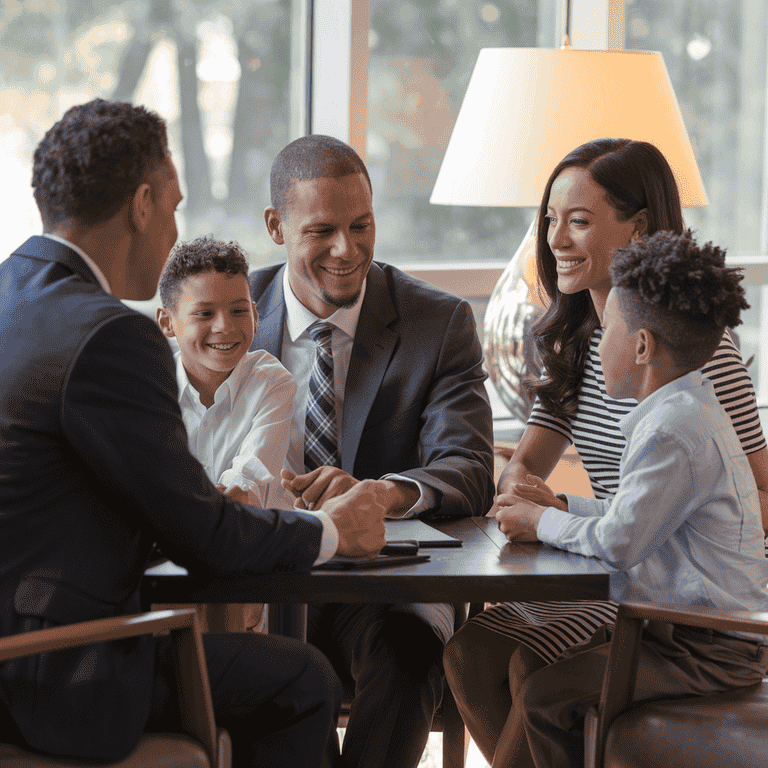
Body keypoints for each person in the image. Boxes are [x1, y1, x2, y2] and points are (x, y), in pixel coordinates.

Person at [0, 98, 389, 767]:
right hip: (55, 674)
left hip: (19, 648)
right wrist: (335, 531)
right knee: (303, 680)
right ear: (143, 203)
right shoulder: (106, 335)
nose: (175, 229)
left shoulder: (13, 294)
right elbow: (203, 533)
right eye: (175, 206)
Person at [443, 138, 768, 768]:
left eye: (580, 221)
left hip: (676, 592)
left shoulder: (695, 358)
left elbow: (756, 493)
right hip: (617, 559)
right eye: (550, 220)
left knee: (534, 671)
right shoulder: (579, 343)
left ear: (638, 226)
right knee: (469, 649)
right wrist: (542, 499)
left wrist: (599, 522)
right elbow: (524, 471)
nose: (556, 239)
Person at [248, 133, 495, 768]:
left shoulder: (437, 323)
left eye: (362, 225)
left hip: (390, 586)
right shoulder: (229, 313)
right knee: (239, 674)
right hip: (258, 579)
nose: (347, 249)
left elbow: (468, 470)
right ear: (276, 226)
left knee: (405, 653)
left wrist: (382, 493)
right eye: (322, 230)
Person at [156, 235, 296, 633]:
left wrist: (211, 506)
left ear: (255, 312)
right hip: (171, 563)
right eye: (204, 314)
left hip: (248, 567)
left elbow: (250, 478)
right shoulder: (149, 385)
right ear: (168, 322)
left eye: (238, 311)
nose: (225, 327)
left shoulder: (271, 382)